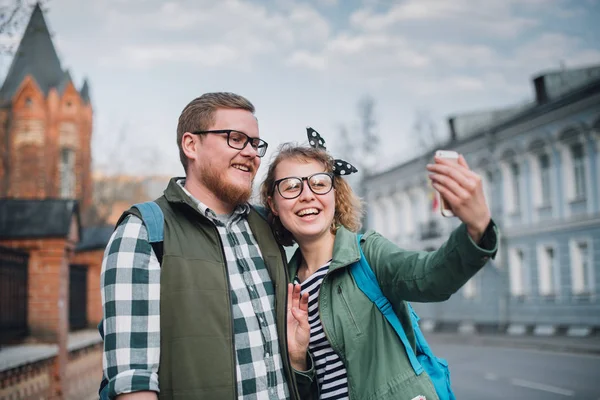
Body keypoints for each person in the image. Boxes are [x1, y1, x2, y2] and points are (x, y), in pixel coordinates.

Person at [99, 93, 315, 400]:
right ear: (191, 145)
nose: (251, 153)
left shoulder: (268, 226)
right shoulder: (143, 231)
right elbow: (132, 383)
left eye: (255, 143)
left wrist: (297, 360)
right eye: (236, 138)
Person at [260, 128, 498, 400]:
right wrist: (298, 359)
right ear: (274, 204)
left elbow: (432, 276)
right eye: (291, 186)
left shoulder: (368, 254)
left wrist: (477, 228)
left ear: (334, 194)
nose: (306, 195)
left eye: (319, 183)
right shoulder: (283, 286)